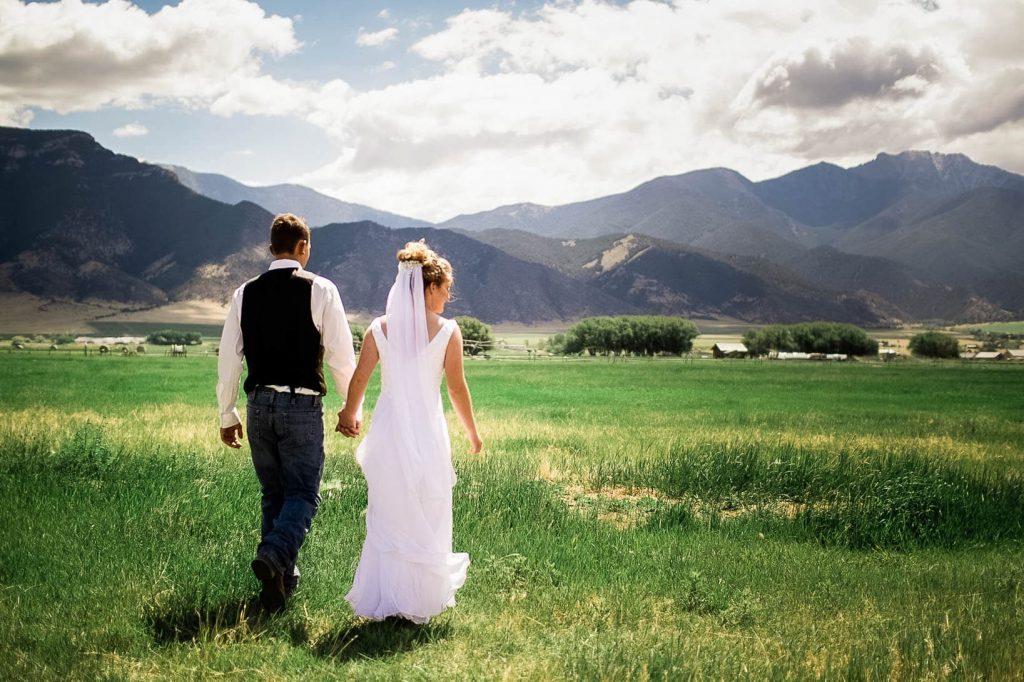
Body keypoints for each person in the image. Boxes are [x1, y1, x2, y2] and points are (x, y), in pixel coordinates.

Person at [217, 213, 360, 612]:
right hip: (301, 405)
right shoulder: (322, 289)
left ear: (269, 250)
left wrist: (227, 413)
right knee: (303, 494)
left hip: (258, 404)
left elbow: (229, 359)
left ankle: (280, 584)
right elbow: (341, 357)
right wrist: (352, 408)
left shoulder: (244, 293)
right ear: (302, 248)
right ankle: (273, 555)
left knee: (273, 493)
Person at [338, 240, 482, 623]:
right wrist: (472, 432)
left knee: (390, 514)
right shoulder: (448, 332)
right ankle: (419, 599)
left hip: (388, 434)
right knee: (427, 510)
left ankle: (387, 599)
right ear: (429, 287)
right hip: (428, 433)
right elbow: (456, 389)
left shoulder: (378, 329)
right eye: (446, 288)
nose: (449, 297)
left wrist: (349, 413)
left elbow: (361, 378)